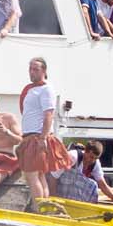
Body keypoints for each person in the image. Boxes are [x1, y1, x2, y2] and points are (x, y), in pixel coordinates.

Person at [16, 57, 70, 209]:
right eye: (30, 69)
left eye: (36, 69)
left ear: (44, 71)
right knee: (39, 175)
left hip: (36, 136)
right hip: (31, 136)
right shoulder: (32, 89)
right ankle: (44, 207)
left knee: (32, 175)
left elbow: (49, 114)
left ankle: (38, 208)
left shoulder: (46, 89)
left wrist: (42, 138)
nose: (32, 72)